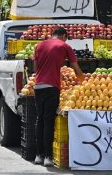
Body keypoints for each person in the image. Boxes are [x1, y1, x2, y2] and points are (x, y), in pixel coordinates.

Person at [33, 27, 84, 167]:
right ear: (63, 36)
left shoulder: (39, 45)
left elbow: (35, 67)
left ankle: (38, 155)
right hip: (52, 87)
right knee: (49, 120)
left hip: (38, 86)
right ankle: (48, 157)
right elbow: (74, 66)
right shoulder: (64, 45)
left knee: (40, 119)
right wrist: (83, 81)